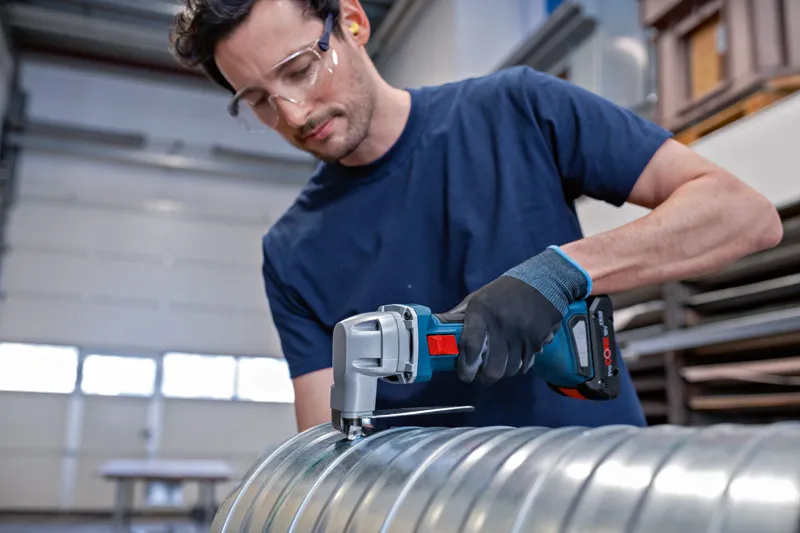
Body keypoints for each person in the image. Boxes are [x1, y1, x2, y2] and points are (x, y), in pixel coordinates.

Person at [170, 0, 784, 432]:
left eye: (301, 70)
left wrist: (557, 275)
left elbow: (741, 213)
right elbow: (325, 446)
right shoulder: (291, 250)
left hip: (597, 493)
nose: (294, 113)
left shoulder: (517, 109)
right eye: (259, 101)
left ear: (353, 21)